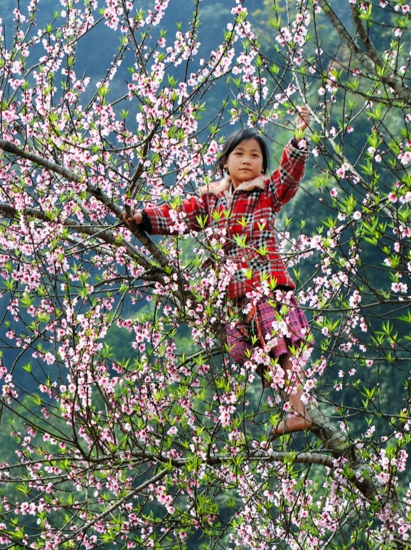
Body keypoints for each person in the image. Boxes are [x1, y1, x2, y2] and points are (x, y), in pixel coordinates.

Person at [125, 107, 314, 438]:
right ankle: (291, 407)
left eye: (255, 155)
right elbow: (178, 217)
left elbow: (289, 174)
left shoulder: (267, 193)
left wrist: (298, 137)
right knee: (257, 353)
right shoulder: (211, 201)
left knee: (283, 347)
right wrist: (144, 217)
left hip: (267, 285)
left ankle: (298, 411)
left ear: (262, 166)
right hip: (235, 296)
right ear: (224, 162)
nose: (247, 160)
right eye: (239, 154)